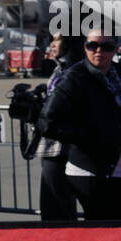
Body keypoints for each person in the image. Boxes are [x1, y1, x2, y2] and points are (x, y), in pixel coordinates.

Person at [37, 33, 121, 221]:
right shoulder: (74, 77)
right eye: (92, 45)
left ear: (116, 49)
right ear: (84, 47)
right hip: (91, 166)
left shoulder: (116, 72)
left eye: (106, 47)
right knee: (102, 224)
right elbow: (47, 122)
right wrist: (87, 137)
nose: (99, 51)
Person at [36, 34, 84, 221]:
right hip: (54, 141)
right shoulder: (60, 68)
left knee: (55, 200)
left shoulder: (72, 70)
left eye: (57, 40)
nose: (52, 44)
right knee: (56, 198)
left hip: (60, 143)